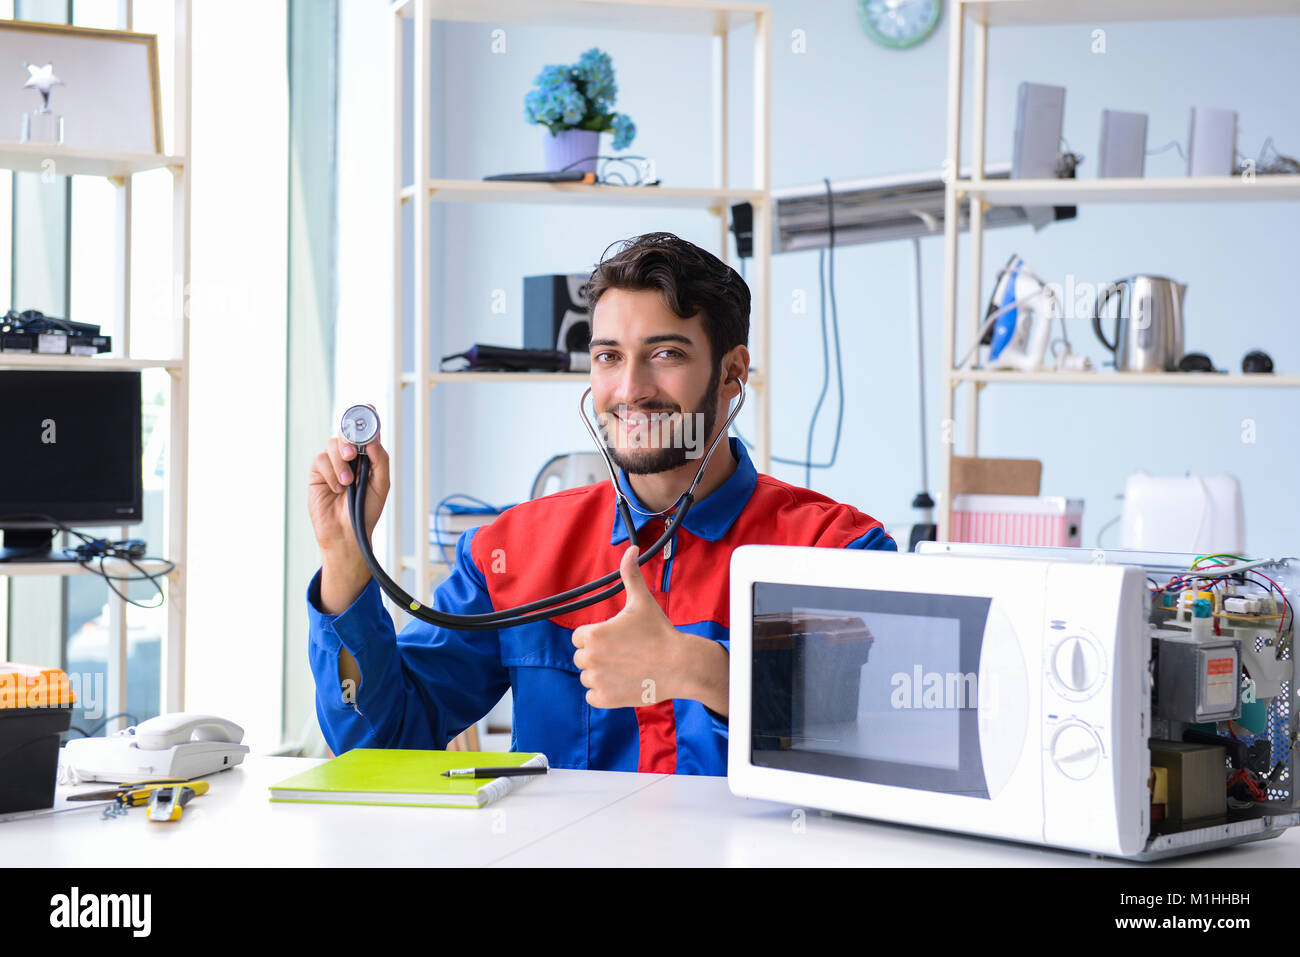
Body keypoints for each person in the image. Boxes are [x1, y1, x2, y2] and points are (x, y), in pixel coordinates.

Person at [306, 231, 897, 775]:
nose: (630, 389)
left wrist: (700, 670)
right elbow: (380, 746)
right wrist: (345, 561)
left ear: (731, 373)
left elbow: (879, 744)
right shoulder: (509, 552)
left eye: (665, 354)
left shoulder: (838, 550)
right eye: (609, 356)